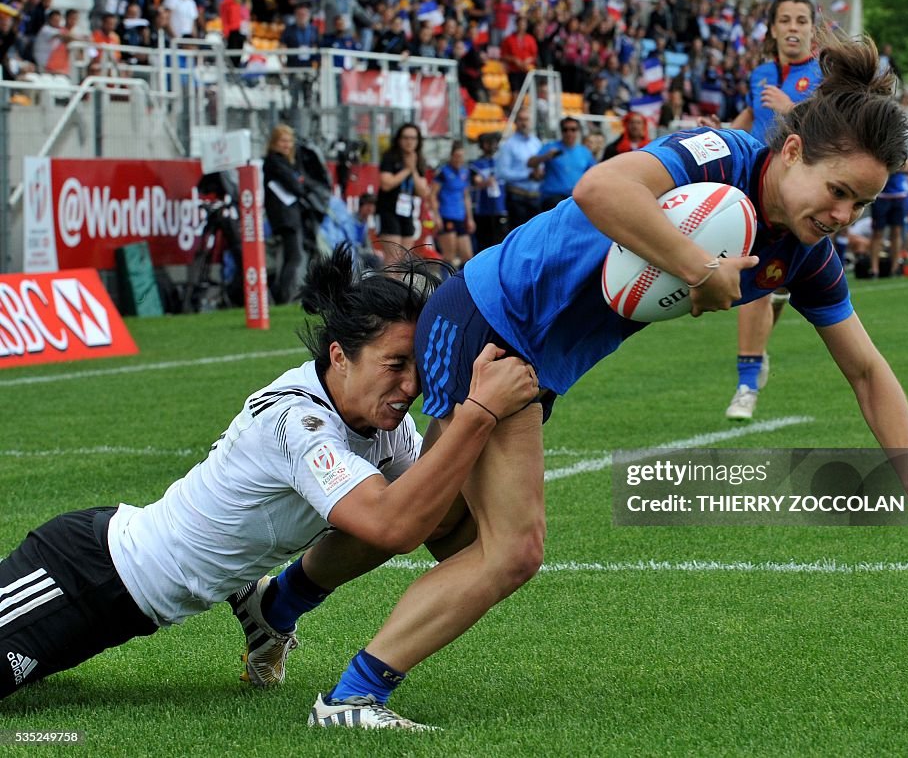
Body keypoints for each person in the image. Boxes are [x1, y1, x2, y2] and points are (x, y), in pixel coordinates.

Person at [264, 36, 908, 732]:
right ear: (792, 151)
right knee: (511, 549)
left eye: (859, 206)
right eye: (837, 192)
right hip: (495, 318)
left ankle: (276, 606)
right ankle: (354, 695)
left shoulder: (804, 256)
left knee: (435, 524)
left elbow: (865, 367)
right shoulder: (720, 155)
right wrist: (700, 268)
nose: (841, 218)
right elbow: (601, 186)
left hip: (531, 354)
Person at [0, 245, 538, 702]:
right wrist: (477, 414)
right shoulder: (298, 422)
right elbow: (394, 527)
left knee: (406, 498)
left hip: (123, 611)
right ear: (340, 355)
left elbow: (437, 525)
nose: (410, 387)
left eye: (419, 370)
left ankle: (275, 604)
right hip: (85, 571)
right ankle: (276, 604)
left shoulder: (379, 420)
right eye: (395, 365)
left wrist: (478, 414)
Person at [703, 0, 823, 421]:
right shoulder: (761, 74)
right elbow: (754, 117)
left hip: (806, 195)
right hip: (759, 189)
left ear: (813, 28)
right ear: (772, 29)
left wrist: (793, 109)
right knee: (757, 282)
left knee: (779, 284)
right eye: (785, 20)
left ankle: (757, 355)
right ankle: (746, 384)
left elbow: (834, 133)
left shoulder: (823, 75)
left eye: (801, 20)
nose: (793, 27)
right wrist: (720, 131)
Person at [264, 123, 311, 304]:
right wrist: (300, 184)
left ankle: (285, 294)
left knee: (292, 256)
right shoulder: (274, 161)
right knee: (294, 257)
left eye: (289, 141)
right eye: (283, 141)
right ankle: (285, 296)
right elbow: (296, 185)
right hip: (285, 216)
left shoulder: (285, 161)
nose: (287, 145)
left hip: (288, 215)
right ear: (275, 142)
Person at [377, 122, 431, 263]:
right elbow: (386, 184)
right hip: (389, 210)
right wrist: (406, 169)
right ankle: (388, 285)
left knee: (404, 259)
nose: (409, 142)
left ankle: (399, 285)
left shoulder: (418, 160)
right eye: (406, 138)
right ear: (399, 140)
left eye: (413, 138)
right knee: (392, 258)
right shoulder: (390, 157)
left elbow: (422, 191)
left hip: (407, 211)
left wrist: (413, 169)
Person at [529, 116, 596, 212]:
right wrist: (546, 157)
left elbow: (594, 172)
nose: (569, 133)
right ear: (561, 131)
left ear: (578, 131)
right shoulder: (551, 147)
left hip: (576, 198)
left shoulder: (584, 151)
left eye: (573, 129)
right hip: (553, 197)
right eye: (565, 130)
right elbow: (530, 163)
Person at [495, 109, 543, 230]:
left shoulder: (536, 142)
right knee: (519, 234)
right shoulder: (508, 145)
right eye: (521, 119)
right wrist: (527, 175)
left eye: (526, 119)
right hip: (517, 197)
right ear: (516, 122)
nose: (524, 123)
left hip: (535, 196)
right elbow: (502, 173)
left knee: (536, 234)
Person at [431, 144, 475, 268]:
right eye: (456, 156)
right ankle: (443, 283)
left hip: (460, 216)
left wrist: (470, 218)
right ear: (451, 156)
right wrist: (436, 216)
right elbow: (432, 195)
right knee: (449, 256)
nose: (458, 159)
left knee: (467, 256)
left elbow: (466, 196)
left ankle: (463, 284)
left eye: (461, 156)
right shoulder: (443, 172)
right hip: (446, 215)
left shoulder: (464, 172)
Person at [469, 132, 509, 250]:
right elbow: (476, 181)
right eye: (487, 142)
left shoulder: (501, 162)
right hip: (483, 211)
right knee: (484, 244)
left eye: (493, 142)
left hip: (500, 208)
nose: (491, 145)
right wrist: (485, 182)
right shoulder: (476, 165)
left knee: (501, 242)